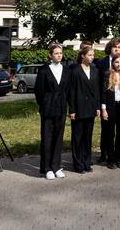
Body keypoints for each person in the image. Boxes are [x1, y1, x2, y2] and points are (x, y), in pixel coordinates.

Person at [34, 43, 70, 180]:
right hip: (48, 107)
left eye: (60, 53)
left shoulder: (66, 70)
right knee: (47, 138)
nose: (59, 55)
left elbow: (67, 90)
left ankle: (56, 166)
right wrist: (43, 104)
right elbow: (39, 90)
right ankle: (47, 168)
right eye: (56, 53)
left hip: (61, 107)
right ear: (50, 55)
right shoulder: (43, 70)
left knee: (58, 138)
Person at [95, 39, 120, 163]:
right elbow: (99, 85)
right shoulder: (101, 63)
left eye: (119, 47)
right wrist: (102, 106)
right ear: (109, 48)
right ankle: (105, 154)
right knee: (107, 129)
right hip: (107, 102)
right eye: (114, 47)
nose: (116, 49)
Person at [68, 45, 100, 173]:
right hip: (79, 108)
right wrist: (72, 110)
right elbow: (72, 91)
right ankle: (78, 164)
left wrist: (97, 106)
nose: (92, 57)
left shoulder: (95, 70)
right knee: (77, 138)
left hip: (91, 108)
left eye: (93, 55)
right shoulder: (75, 71)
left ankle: (87, 162)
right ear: (83, 56)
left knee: (88, 137)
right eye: (89, 55)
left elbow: (96, 90)